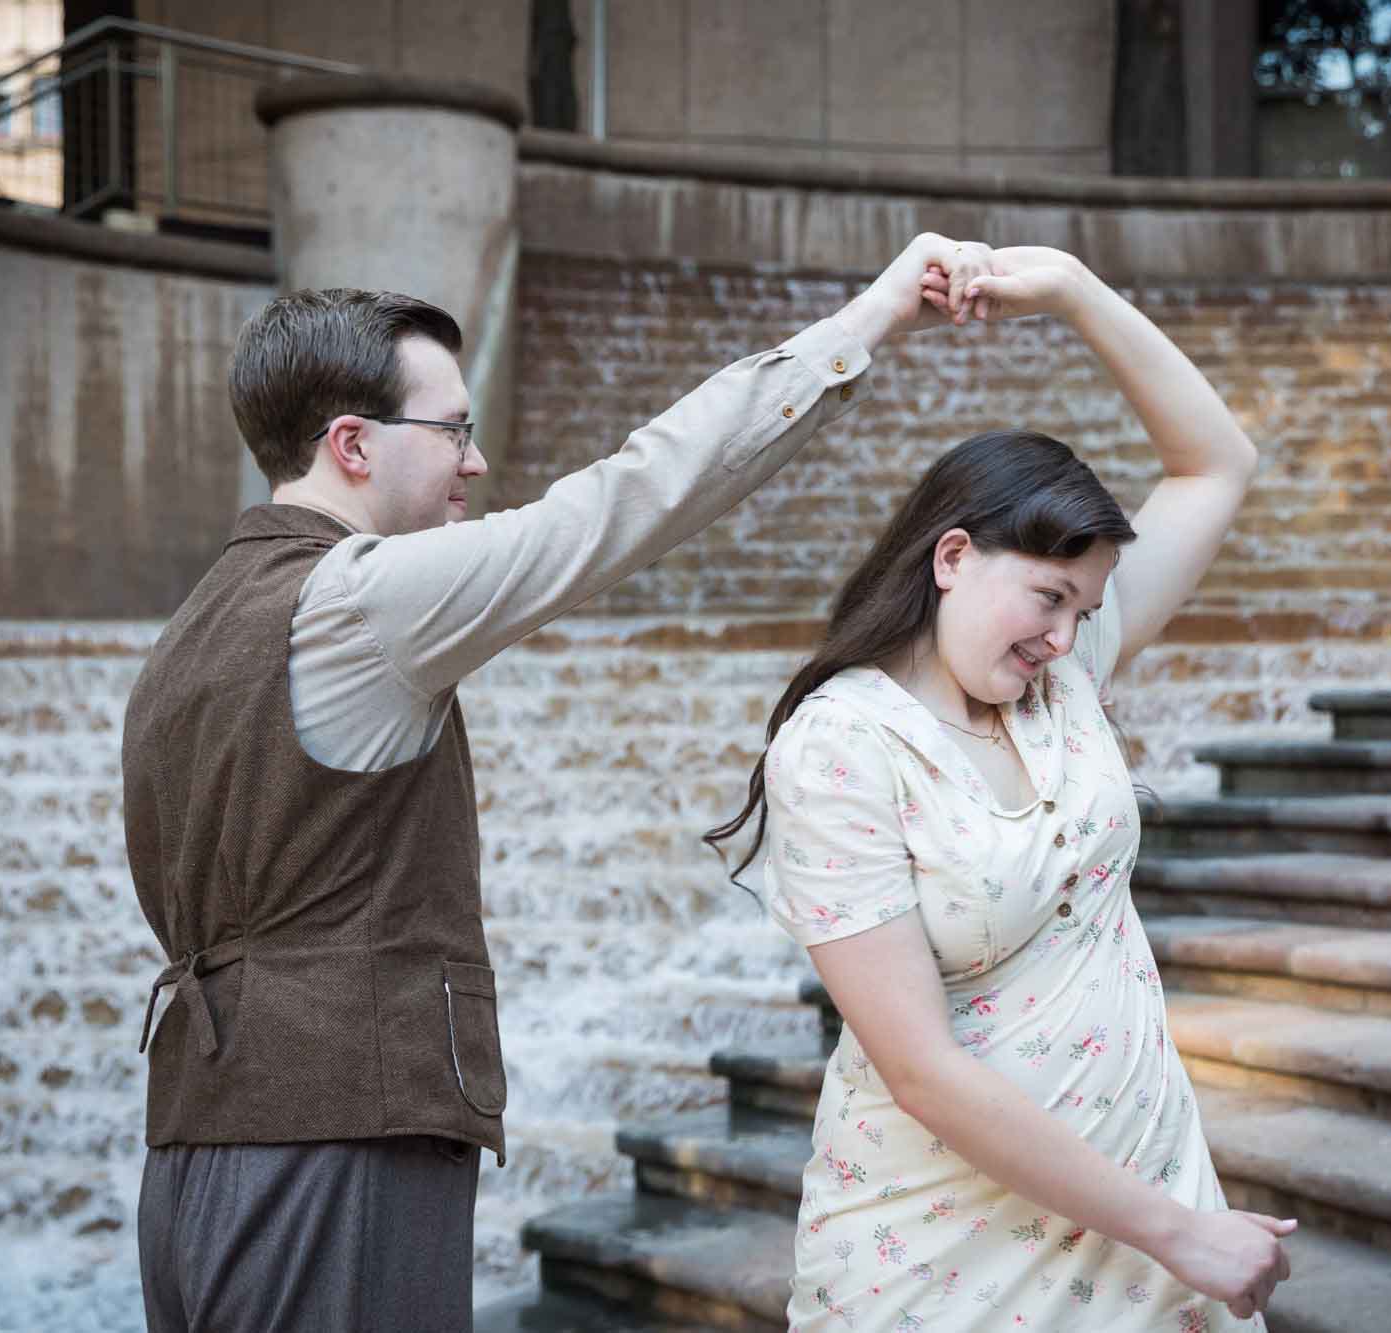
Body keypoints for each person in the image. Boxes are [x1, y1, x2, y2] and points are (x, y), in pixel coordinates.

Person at [121, 232, 990, 1332]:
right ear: (352, 442)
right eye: (453, 432)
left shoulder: (192, 625)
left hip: (198, 1151)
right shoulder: (361, 600)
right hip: (335, 1143)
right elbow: (629, 500)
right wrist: (871, 318)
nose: (474, 464)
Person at [708, 244, 1293, 1330]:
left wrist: (1072, 287)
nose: (1066, 635)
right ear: (951, 557)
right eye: (1047, 597)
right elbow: (920, 1070)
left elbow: (1215, 463)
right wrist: (1178, 1231)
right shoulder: (840, 748)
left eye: (1084, 609)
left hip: (1141, 1206)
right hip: (942, 1249)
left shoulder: (1062, 675)